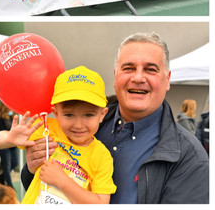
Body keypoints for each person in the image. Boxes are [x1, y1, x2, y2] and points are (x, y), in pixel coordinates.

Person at [21, 32, 209, 204]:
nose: (138, 77)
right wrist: (32, 168)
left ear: (167, 79)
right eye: (128, 68)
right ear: (115, 76)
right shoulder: (84, 125)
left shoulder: (189, 158)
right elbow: (40, 186)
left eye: (150, 69)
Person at [0, 66, 116, 204]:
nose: (78, 124)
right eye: (69, 115)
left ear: (102, 115)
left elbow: (101, 203)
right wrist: (10, 138)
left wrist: (62, 181)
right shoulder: (48, 129)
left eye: (89, 115)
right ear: (56, 112)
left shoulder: (102, 157)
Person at [0, 104, 19, 188]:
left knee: (15, 163)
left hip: (12, 145)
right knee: (6, 166)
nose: (12, 111)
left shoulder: (12, 117)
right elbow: (0, 131)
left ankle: (1, 177)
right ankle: (10, 185)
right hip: (4, 145)